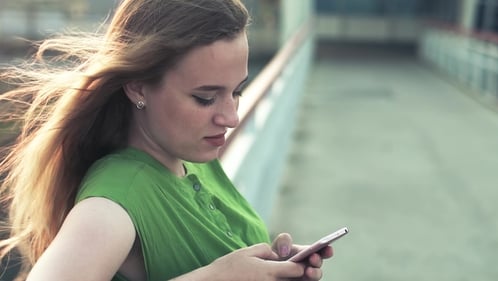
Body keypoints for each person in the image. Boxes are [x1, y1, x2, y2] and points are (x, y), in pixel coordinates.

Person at [0, 0, 333, 280]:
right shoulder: (113, 205)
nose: (231, 118)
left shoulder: (191, 156)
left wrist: (272, 264)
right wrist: (214, 277)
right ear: (138, 87)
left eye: (237, 91)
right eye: (205, 98)